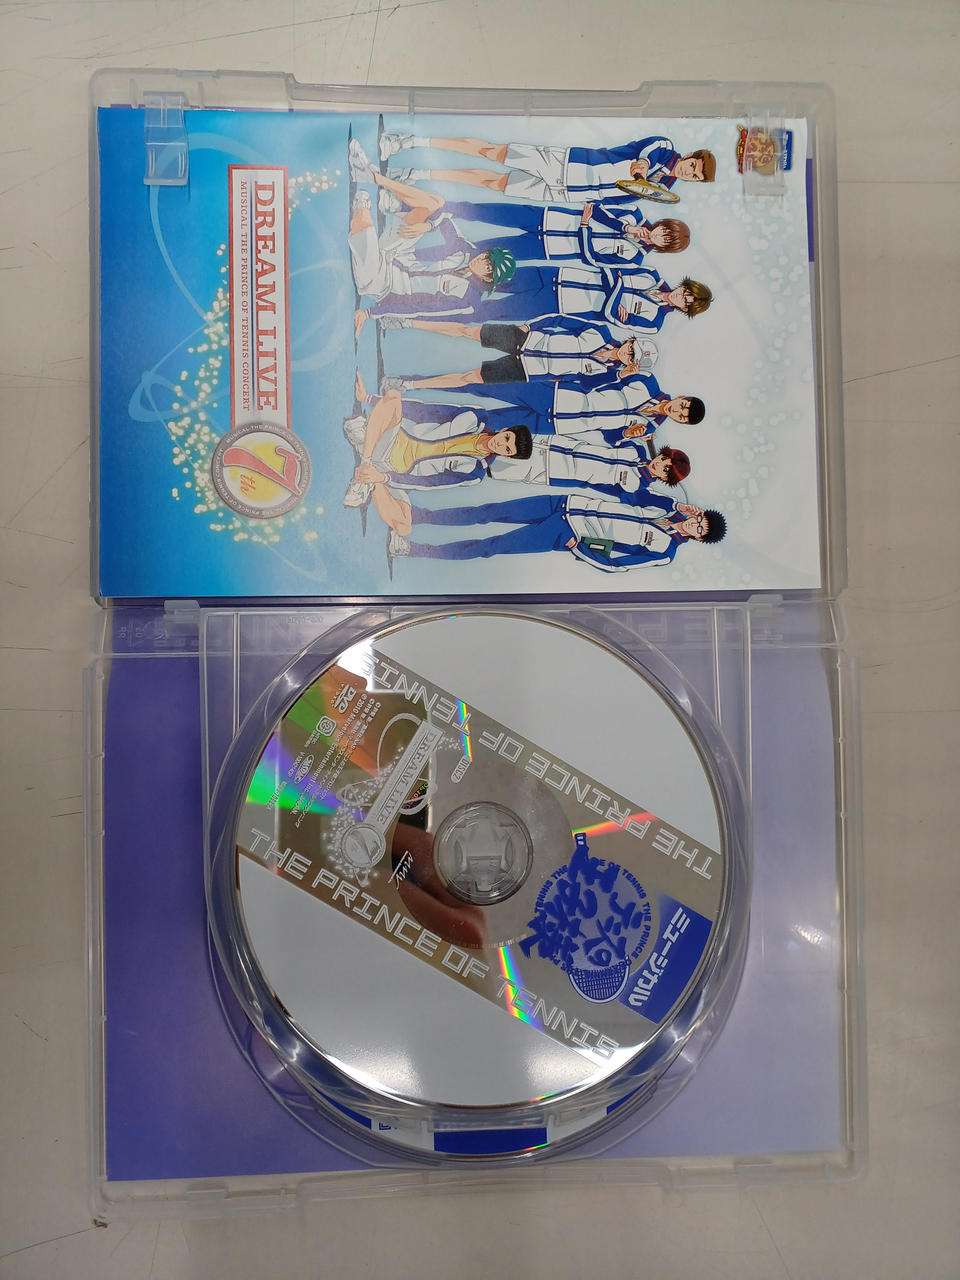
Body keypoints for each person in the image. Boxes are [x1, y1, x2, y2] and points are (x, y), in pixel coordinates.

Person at [346, 144, 516, 337]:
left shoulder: (467, 300)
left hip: (384, 286)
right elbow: (444, 215)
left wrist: (369, 313)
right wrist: (428, 226)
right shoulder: (466, 251)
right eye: (487, 257)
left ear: (489, 279)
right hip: (398, 256)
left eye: (488, 267)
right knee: (436, 203)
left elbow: (418, 310)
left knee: (361, 215)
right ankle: (373, 177)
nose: (482, 260)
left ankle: (383, 202)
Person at [387, 492, 726, 571]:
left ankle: (414, 550)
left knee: (492, 545)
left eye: (700, 530)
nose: (695, 525)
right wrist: (677, 505)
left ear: (698, 538)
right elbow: (632, 492)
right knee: (487, 511)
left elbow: (616, 563)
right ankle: (417, 515)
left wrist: (580, 547)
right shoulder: (665, 506)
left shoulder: (665, 552)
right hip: (562, 503)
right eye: (700, 520)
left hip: (566, 532)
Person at [378, 131, 716, 201]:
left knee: (492, 183)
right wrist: (641, 166)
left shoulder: (662, 191)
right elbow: (647, 153)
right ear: (689, 156)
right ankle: (410, 141)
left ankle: (414, 174)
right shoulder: (665, 148)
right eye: (693, 165)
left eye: (695, 176)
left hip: (566, 194)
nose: (689, 172)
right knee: (492, 152)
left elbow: (618, 199)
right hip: (568, 163)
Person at [342, 387, 532, 509]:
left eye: (507, 449)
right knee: (393, 397)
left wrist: (385, 478)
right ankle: (366, 460)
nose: (500, 444)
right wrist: (370, 398)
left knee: (404, 524)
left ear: (507, 456)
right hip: (397, 435)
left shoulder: (475, 473)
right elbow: (428, 410)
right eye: (506, 438)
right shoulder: (476, 417)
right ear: (505, 430)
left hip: (398, 467)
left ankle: (367, 443)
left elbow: (430, 483)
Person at [381, 316, 653, 393]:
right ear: (630, 340)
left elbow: (583, 386)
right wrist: (530, 326)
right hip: (526, 338)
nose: (627, 353)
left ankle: (407, 385)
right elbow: (560, 319)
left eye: (632, 358)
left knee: (470, 378)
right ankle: (406, 322)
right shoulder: (601, 332)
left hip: (528, 371)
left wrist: (619, 378)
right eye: (632, 347)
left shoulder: (607, 374)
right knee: (467, 331)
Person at [439, 200, 690, 265]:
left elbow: (592, 259)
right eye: (664, 231)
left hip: (547, 249)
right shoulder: (634, 213)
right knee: (487, 212)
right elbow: (595, 208)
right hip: (547, 218)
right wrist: (624, 227)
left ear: (664, 248)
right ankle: (439, 207)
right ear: (663, 224)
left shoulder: (635, 258)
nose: (659, 236)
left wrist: (585, 228)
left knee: (483, 254)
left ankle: (432, 255)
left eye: (665, 241)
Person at [490, 436, 691, 499]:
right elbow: (611, 437)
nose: (659, 464)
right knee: (495, 443)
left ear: (666, 479)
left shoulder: (635, 487)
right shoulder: (636, 449)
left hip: (554, 470)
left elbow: (595, 486)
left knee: (493, 467)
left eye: (666, 470)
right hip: (553, 444)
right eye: (664, 458)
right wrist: (629, 433)